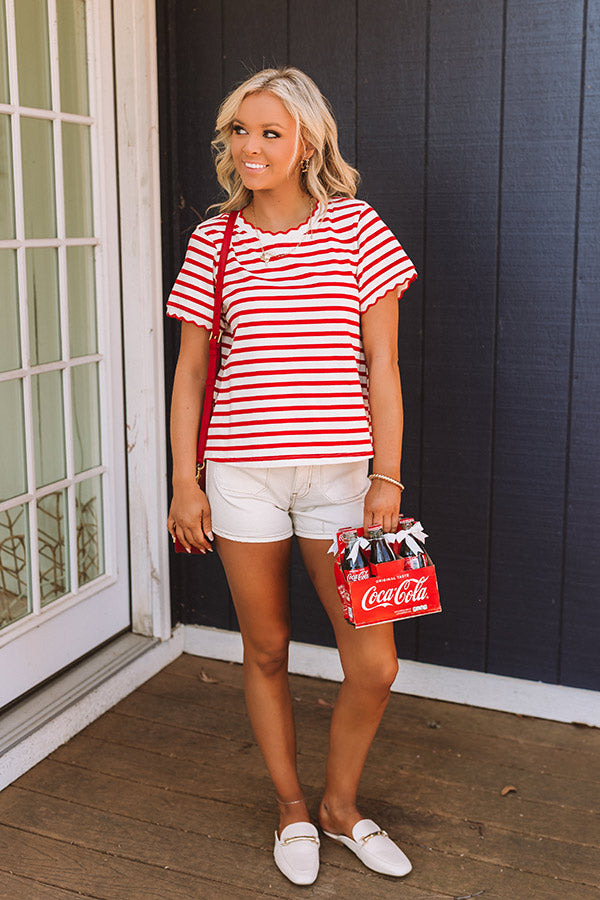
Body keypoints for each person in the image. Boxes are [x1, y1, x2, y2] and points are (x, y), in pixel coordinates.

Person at [166, 67, 417, 886]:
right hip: (242, 476)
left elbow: (383, 366)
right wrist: (185, 482)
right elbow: (191, 373)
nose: (251, 147)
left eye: (270, 132)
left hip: (345, 480)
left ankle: (341, 807)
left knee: (374, 663)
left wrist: (388, 476)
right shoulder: (215, 241)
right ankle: (291, 809)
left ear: (307, 141)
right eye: (240, 130)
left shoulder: (357, 228)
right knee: (267, 648)